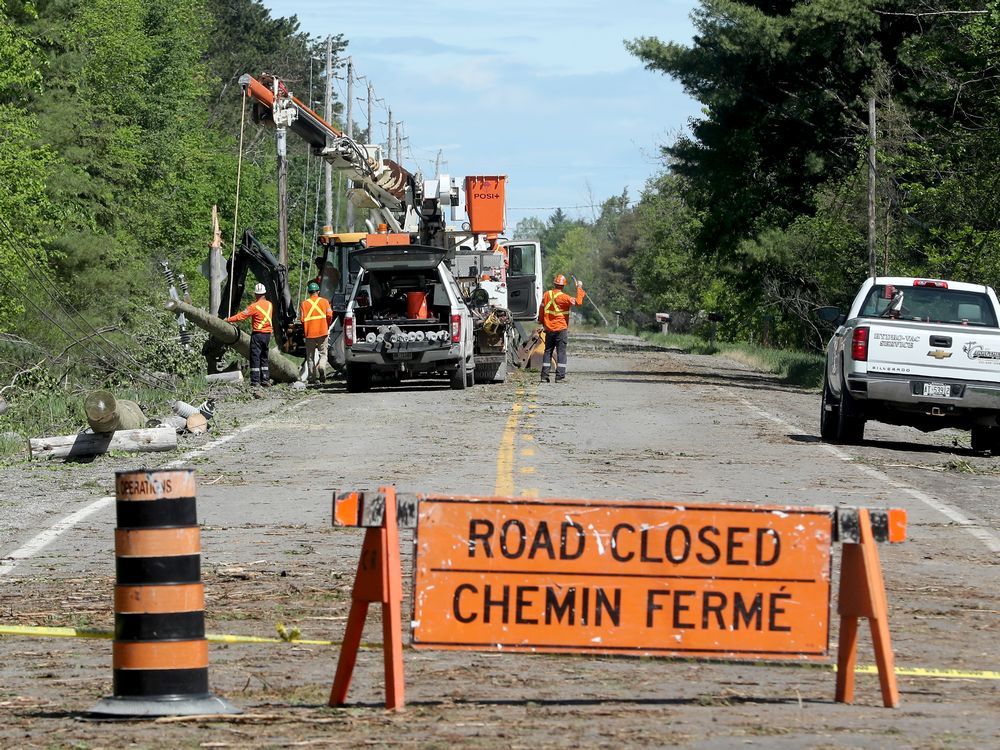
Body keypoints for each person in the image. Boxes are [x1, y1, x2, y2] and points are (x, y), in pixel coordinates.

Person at [538, 273, 585, 382]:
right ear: (563, 286)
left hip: (549, 329)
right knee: (561, 352)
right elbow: (578, 302)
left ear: (554, 284)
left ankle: (544, 376)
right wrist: (579, 287)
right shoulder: (565, 298)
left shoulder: (546, 294)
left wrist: (541, 321)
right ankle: (559, 377)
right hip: (560, 329)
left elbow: (541, 310)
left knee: (548, 351)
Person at [226, 282, 273, 387]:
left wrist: (228, 319)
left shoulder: (254, 306)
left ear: (256, 294)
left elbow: (241, 316)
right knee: (264, 356)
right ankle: (265, 379)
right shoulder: (270, 305)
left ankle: (255, 381)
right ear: (264, 293)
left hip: (258, 335)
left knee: (255, 357)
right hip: (267, 335)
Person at [301, 281, 334, 383]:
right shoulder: (324, 302)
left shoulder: (304, 304)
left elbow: (302, 320)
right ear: (318, 291)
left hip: (309, 333)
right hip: (322, 331)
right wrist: (326, 325)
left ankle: (312, 378)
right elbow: (329, 315)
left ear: (309, 292)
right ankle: (322, 367)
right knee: (323, 354)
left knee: (310, 356)